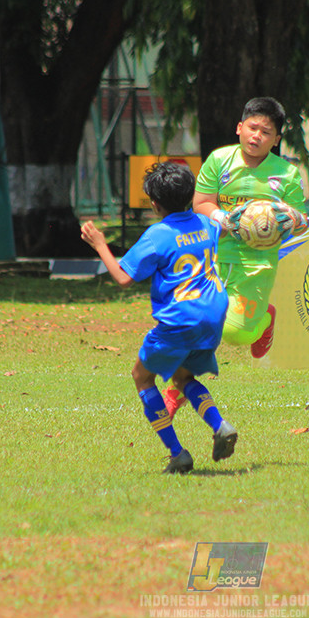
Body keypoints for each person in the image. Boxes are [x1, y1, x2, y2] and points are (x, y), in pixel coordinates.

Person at [80, 161, 238, 474]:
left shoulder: (157, 235)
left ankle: (178, 454)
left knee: (142, 377)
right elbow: (222, 228)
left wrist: (100, 244)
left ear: (154, 204)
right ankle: (220, 425)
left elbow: (123, 278)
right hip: (214, 313)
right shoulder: (206, 224)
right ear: (191, 195)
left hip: (181, 318)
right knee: (182, 378)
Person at [179, 97, 308, 414]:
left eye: (266, 132)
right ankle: (174, 393)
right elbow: (201, 202)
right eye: (252, 128)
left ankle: (264, 319)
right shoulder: (219, 160)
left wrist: (293, 218)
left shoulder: (287, 174)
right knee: (197, 324)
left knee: (235, 334)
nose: (257, 136)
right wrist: (223, 218)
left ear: (276, 140)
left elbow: (301, 221)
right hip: (213, 256)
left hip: (256, 265)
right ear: (239, 128)